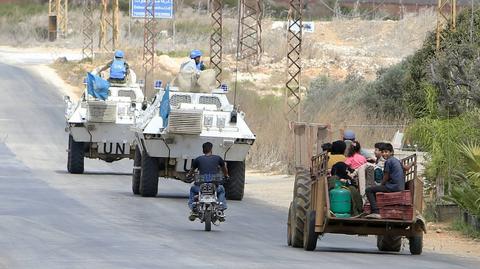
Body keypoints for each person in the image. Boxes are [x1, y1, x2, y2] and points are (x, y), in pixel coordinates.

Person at [186, 142, 229, 220]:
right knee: (221, 190)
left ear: (203, 150)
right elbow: (224, 168)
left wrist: (188, 175)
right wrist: (226, 175)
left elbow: (191, 171)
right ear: (211, 149)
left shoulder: (198, 159)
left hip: (200, 187)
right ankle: (221, 208)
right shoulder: (218, 158)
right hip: (214, 187)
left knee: (192, 189)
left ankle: (193, 209)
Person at [365, 143, 405, 219]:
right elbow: (405, 168)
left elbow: (386, 176)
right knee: (376, 189)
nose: (384, 154)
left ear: (391, 152)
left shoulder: (388, 161)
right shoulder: (396, 160)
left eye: (386, 152)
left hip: (393, 187)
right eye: (383, 152)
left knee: (369, 190)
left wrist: (381, 185)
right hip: (399, 186)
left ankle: (375, 211)